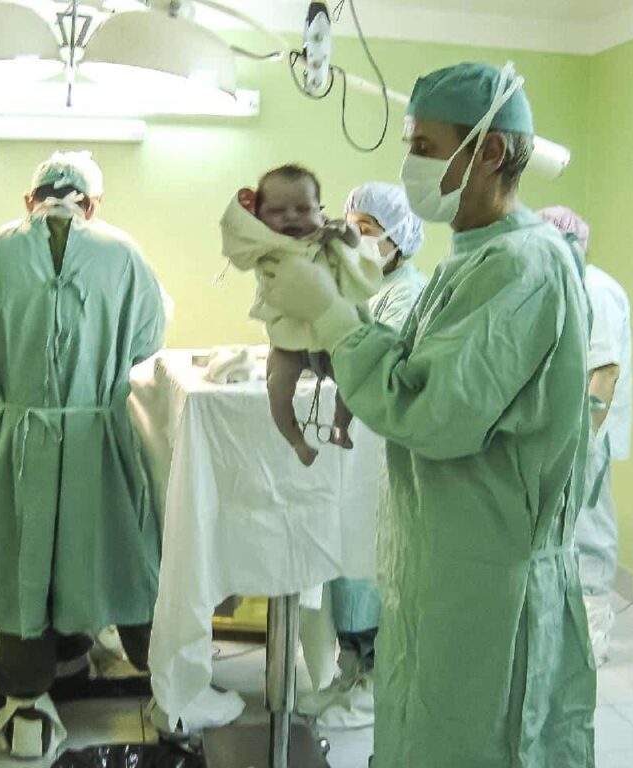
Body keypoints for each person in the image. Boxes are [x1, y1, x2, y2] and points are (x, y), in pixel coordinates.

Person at [260, 62, 595, 766]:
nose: (410, 164)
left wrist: (331, 316)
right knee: (422, 735)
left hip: (489, 585)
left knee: (475, 745)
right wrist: (340, 320)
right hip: (442, 566)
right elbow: (408, 370)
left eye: (425, 147)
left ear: (491, 151)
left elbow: (430, 410)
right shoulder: (469, 261)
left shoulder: (524, 268)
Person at [0, 151, 165, 758]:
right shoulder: (125, 255)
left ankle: (28, 695)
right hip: (98, 434)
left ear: (29, 199)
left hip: (23, 437)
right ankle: (162, 675)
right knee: (113, 549)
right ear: (94, 202)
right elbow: (147, 342)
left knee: (25, 563)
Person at [298, 182, 427, 729]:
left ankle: (375, 685)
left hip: (380, 450)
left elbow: (376, 360)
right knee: (345, 563)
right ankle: (350, 671)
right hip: (350, 451)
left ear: (398, 240)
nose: (356, 240)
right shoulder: (361, 284)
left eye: (368, 232)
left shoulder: (407, 293)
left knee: (371, 565)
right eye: (351, 229)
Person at [220, 164, 382, 466]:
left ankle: (340, 427)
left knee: (352, 382)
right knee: (278, 387)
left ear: (319, 211)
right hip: (288, 342)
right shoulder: (265, 246)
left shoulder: (327, 238)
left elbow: (357, 252)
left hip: (331, 337)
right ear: (259, 219)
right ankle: (296, 441)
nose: (291, 217)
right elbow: (235, 231)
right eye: (277, 211)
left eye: (302, 208)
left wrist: (345, 233)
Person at [538, 205, 633, 666]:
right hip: (564, 428)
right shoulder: (564, 285)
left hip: (590, 430)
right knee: (567, 526)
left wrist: (582, 440)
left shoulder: (597, 289)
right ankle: (566, 624)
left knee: (590, 526)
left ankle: (593, 631)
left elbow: (606, 371)